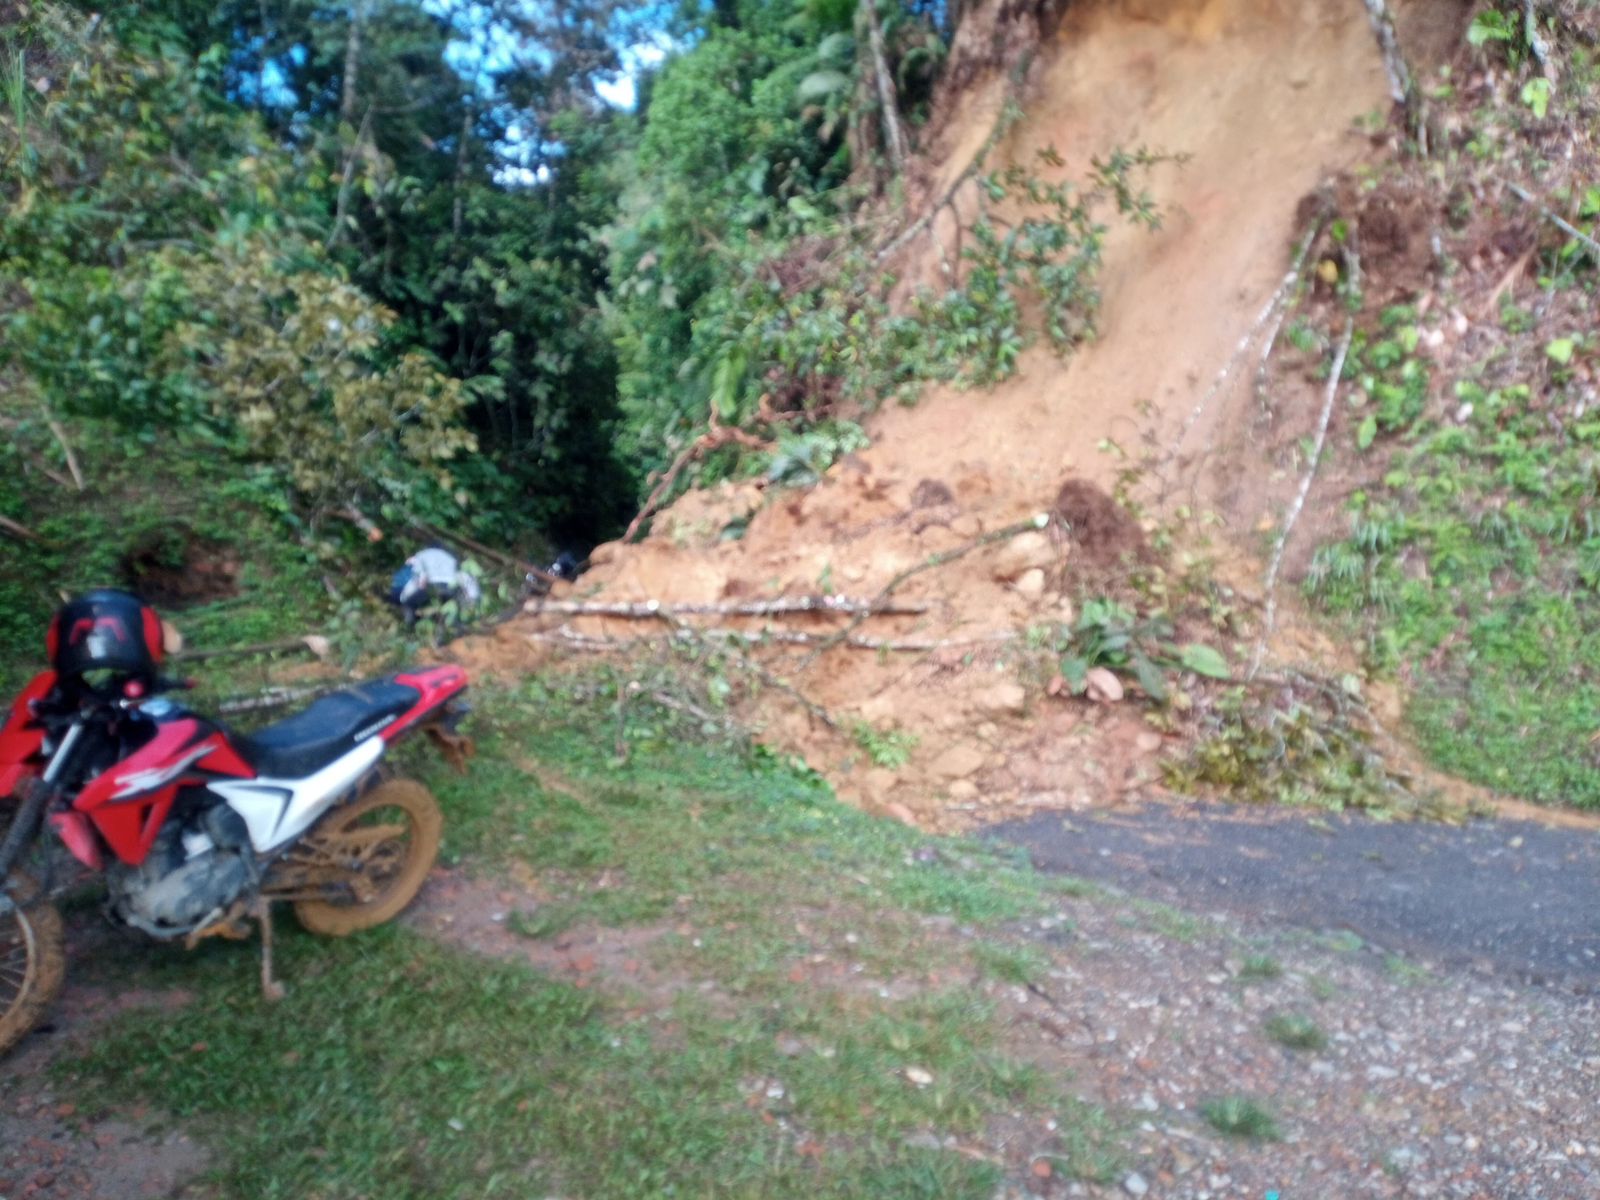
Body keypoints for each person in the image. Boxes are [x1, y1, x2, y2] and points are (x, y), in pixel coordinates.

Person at [388, 546, 481, 627]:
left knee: (409, 605)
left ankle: (410, 629)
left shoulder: (421, 556)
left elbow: (418, 577)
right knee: (454, 608)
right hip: (450, 586)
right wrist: (472, 598)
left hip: (430, 587)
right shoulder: (450, 558)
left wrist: (404, 599)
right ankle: (458, 626)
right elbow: (465, 578)